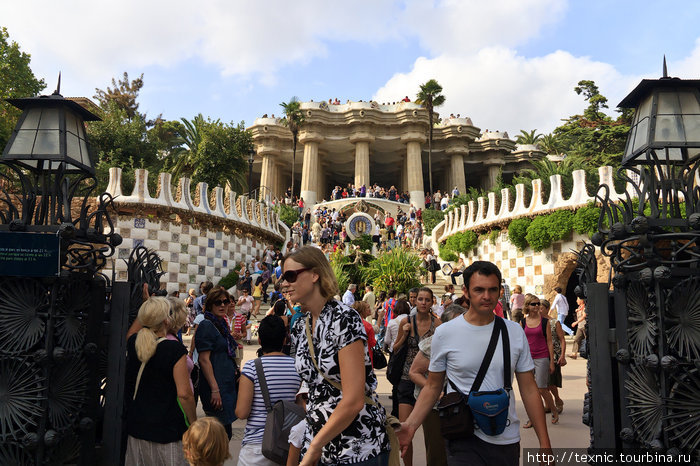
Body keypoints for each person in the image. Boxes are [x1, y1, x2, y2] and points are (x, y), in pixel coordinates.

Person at [397, 261, 552, 466]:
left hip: (505, 437)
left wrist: (545, 443)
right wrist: (411, 425)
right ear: (466, 292)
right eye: (479, 289)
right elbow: (433, 386)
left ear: (499, 292)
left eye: (492, 290)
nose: (486, 296)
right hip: (462, 435)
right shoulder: (446, 333)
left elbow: (529, 389)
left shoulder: (514, 332)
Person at [283, 246, 390, 465]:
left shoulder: (344, 318)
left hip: (356, 446)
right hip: (320, 442)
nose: (284, 283)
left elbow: (353, 399)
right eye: (283, 277)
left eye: (291, 276)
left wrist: (314, 446)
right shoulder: (302, 324)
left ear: (315, 275)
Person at [124, 297, 196, 465]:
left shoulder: (134, 343)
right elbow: (185, 394)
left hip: (137, 426)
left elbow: (131, 333)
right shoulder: (173, 349)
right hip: (167, 429)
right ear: (165, 320)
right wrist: (193, 423)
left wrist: (147, 305)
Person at [235, 315, 302, 466]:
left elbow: (242, 412)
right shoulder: (298, 367)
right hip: (287, 447)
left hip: (256, 447)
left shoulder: (252, 368)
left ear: (259, 341)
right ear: (285, 340)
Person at [407, 304, 466, 466]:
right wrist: (437, 392)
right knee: (437, 452)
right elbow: (414, 372)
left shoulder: (468, 342)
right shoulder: (433, 343)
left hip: (460, 403)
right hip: (434, 406)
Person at [392, 288, 440, 466]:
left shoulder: (438, 324)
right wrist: (404, 334)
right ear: (415, 301)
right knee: (405, 427)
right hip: (406, 379)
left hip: (429, 381)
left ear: (432, 302)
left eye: (427, 300)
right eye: (420, 299)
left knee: (432, 432)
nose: (423, 303)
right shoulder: (406, 321)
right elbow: (395, 349)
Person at [195, 288, 239, 439]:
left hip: (225, 386)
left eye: (225, 302)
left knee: (225, 433)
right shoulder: (207, 325)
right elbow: (203, 359)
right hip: (216, 387)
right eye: (217, 302)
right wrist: (215, 389)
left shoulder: (221, 324)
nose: (222, 305)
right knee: (219, 435)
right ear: (210, 305)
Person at [521, 294, 559, 427]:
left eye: (538, 304)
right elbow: (521, 341)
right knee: (530, 390)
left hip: (542, 357)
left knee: (542, 388)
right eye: (534, 304)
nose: (537, 306)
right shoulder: (523, 322)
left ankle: (554, 409)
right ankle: (532, 418)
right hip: (527, 358)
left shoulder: (545, 322)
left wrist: (551, 361)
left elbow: (550, 342)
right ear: (527, 306)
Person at [544, 299, 566, 414]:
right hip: (541, 354)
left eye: (542, 308)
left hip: (555, 355)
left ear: (547, 309)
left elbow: (562, 339)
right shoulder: (537, 322)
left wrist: (562, 355)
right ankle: (548, 404)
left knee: (551, 382)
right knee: (542, 382)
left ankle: (557, 400)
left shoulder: (554, 322)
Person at [352, 301, 377, 367]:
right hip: (366, 356)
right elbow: (372, 343)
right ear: (362, 310)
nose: (370, 309)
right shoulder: (367, 325)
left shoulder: (351, 323)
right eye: (368, 308)